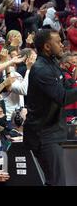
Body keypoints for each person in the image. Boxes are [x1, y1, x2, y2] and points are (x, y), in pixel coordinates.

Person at [24, 29, 77, 185]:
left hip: (54, 130)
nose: (62, 45)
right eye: (58, 42)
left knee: (56, 180)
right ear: (47, 46)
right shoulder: (41, 69)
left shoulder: (52, 62)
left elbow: (65, 85)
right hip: (43, 134)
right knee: (56, 182)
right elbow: (62, 97)